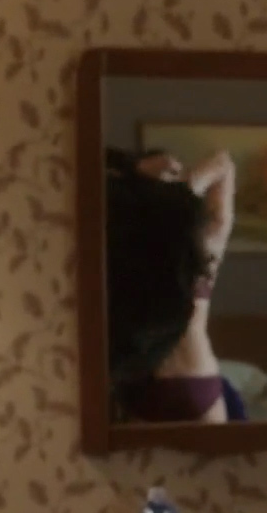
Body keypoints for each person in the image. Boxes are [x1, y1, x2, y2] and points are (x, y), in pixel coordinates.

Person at [104, 146, 243, 423]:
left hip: (137, 386)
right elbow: (224, 164)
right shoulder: (203, 244)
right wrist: (186, 187)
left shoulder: (119, 246)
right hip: (192, 376)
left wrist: (139, 174)